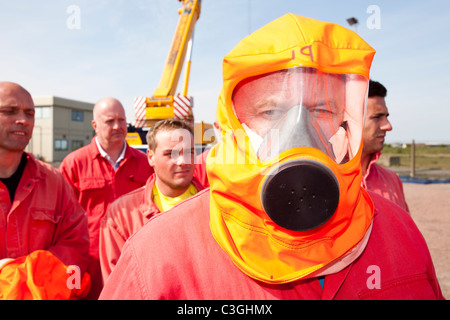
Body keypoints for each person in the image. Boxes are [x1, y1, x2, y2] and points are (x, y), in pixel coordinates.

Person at [100, 14, 443, 300]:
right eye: (271, 110)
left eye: (321, 109)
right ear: (234, 125)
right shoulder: (159, 255)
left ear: (345, 121)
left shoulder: (400, 233)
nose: (299, 130)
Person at [0, 81, 90, 299]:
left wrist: (13, 274)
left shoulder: (53, 182)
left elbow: (76, 251)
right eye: (10, 111)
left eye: (29, 113)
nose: (23, 120)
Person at [59, 97, 153, 298]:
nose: (118, 126)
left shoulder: (145, 164)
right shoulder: (74, 164)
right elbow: (60, 218)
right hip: (88, 262)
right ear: (95, 125)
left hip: (134, 257)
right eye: (110, 121)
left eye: (122, 120)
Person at [99, 119, 206, 282]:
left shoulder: (216, 206)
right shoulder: (122, 215)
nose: (182, 161)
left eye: (189, 152)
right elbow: (117, 284)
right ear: (150, 157)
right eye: (171, 154)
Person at [361, 80, 409, 212]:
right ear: (350, 120)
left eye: (386, 117)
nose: (388, 126)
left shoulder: (392, 180)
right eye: (377, 117)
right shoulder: (325, 181)